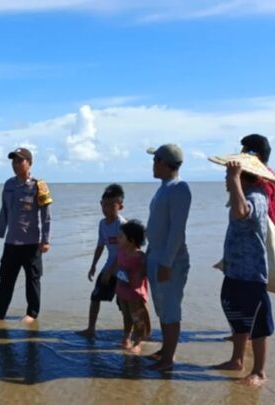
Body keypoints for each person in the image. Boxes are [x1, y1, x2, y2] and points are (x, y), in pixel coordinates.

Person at [212, 159, 274, 388]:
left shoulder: (256, 196)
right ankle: (236, 360)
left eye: (229, 176)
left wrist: (234, 178)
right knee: (235, 314)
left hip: (251, 273)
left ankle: (259, 372)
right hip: (235, 271)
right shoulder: (245, 192)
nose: (225, 181)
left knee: (258, 323)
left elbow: (240, 212)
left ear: (243, 176)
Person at [0, 147, 52, 325]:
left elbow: (45, 216)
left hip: (31, 243)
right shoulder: (8, 185)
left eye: (20, 161)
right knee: (5, 280)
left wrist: (45, 240)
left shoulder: (39, 186)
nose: (16, 164)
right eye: (13, 161)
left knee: (33, 280)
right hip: (11, 242)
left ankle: (32, 314)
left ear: (29, 163)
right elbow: (4, 211)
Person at [145, 144, 191, 371]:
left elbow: (177, 230)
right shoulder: (164, 187)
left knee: (171, 309)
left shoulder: (179, 188)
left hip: (170, 259)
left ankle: (168, 359)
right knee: (162, 308)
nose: (152, 164)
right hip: (156, 255)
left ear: (164, 163)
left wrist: (166, 262)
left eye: (155, 160)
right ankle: (165, 350)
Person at [76, 184, 127, 338]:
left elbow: (125, 252)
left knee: (124, 304)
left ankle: (129, 335)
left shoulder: (122, 225)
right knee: (95, 296)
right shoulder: (102, 224)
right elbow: (100, 246)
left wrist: (112, 271)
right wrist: (93, 266)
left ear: (120, 206)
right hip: (109, 266)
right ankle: (91, 329)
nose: (107, 209)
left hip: (124, 270)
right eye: (104, 205)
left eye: (111, 205)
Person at [101, 220, 150, 354]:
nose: (118, 238)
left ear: (132, 240)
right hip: (121, 289)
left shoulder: (140, 256)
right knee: (126, 316)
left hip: (135, 293)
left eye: (121, 236)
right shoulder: (121, 251)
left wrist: (142, 272)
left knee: (137, 317)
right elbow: (116, 263)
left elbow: (146, 271)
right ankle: (126, 338)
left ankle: (138, 342)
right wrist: (108, 273)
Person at [240, 134, 275, 226]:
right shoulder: (273, 177)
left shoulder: (260, 181)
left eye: (243, 156)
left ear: (256, 156)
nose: (241, 160)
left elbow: (266, 211)